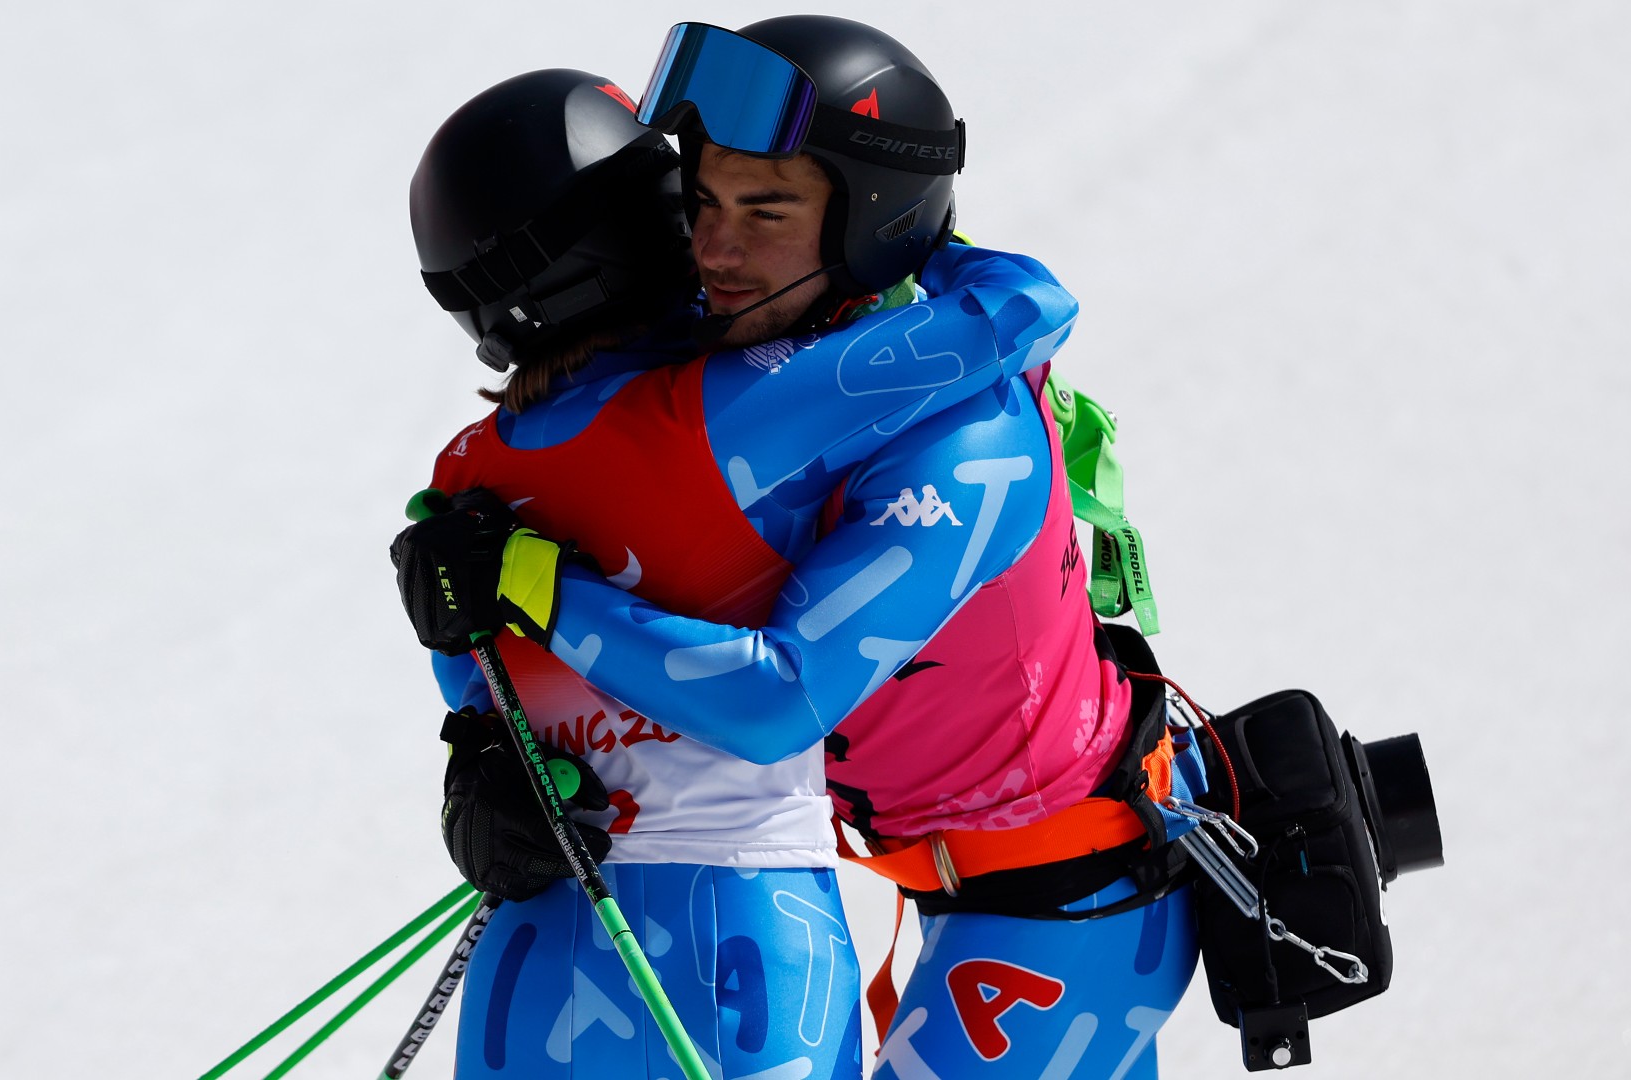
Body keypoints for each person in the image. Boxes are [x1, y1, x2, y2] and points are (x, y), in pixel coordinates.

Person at [396, 17, 1209, 1078]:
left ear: (868, 227)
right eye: (702, 205)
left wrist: (533, 585)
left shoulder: (964, 439)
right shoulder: (740, 356)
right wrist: (492, 760)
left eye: (767, 211)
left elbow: (780, 696)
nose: (716, 251)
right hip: (914, 869)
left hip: (1061, 890)